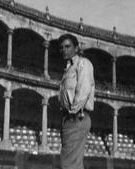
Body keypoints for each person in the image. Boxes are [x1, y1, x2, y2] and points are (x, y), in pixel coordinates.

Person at [58, 34, 95, 169]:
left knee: (68, 164)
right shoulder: (68, 69)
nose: (64, 50)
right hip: (70, 118)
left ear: (76, 48)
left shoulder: (83, 63)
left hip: (77, 116)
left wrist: (73, 113)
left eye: (68, 46)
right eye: (61, 47)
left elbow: (84, 90)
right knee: (72, 163)